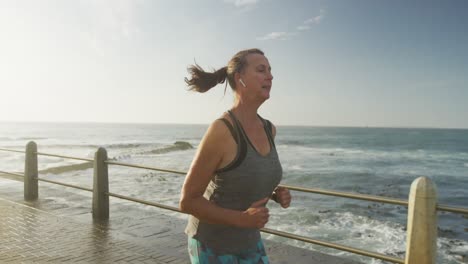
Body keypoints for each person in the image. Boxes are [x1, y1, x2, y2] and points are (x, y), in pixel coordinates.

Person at [179, 48, 291, 264]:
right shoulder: (222, 130)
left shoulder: (270, 129)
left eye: (270, 70)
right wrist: (241, 219)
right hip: (213, 246)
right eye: (261, 70)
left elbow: (247, 174)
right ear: (241, 79)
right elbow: (188, 201)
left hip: (249, 241)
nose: (270, 75)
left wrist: (275, 193)